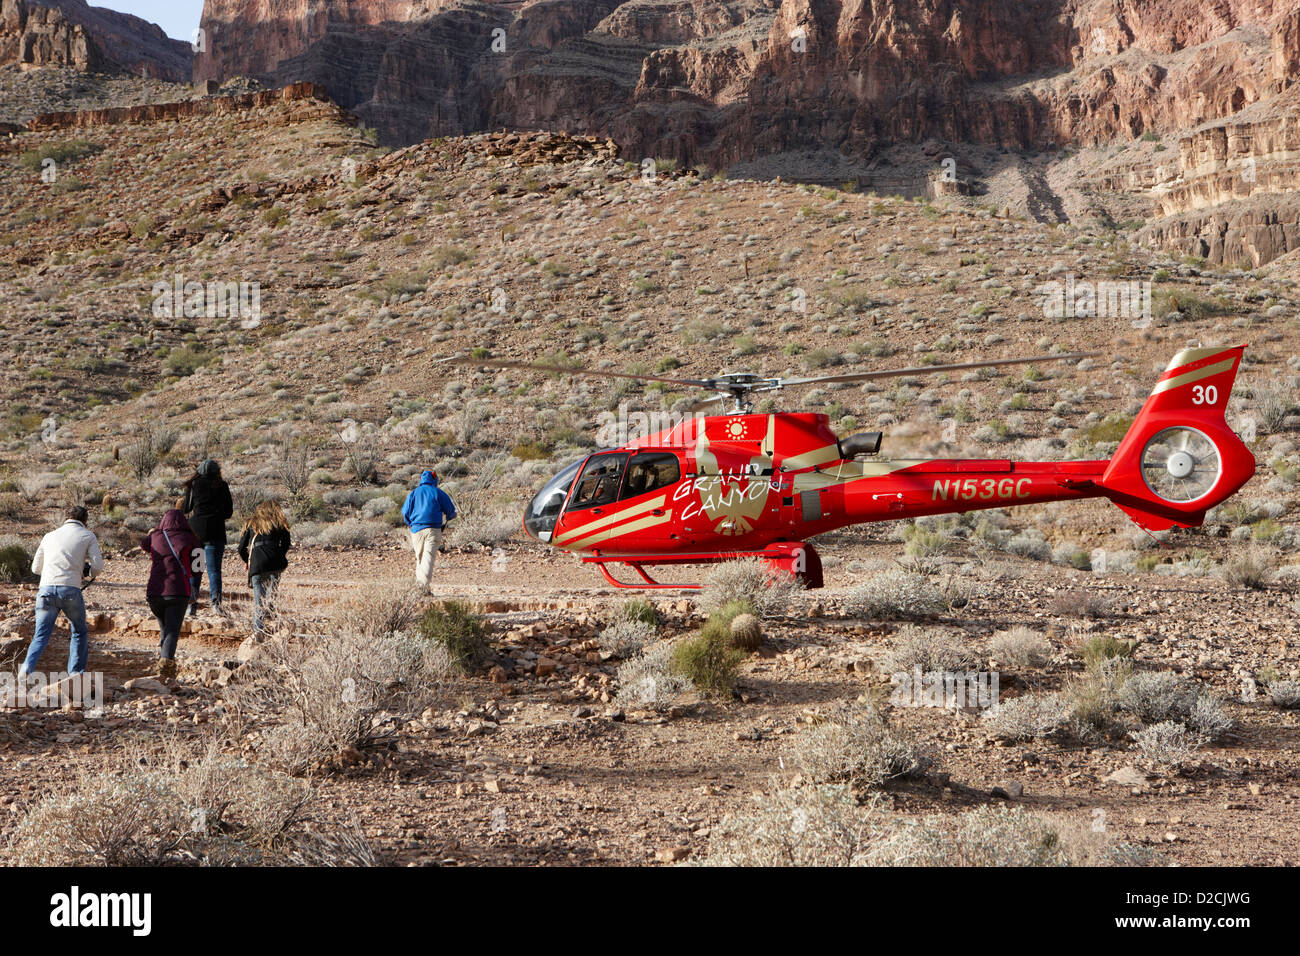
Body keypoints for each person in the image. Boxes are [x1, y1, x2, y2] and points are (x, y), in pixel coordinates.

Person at [21, 506, 104, 678]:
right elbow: (97, 567)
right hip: (70, 591)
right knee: (79, 631)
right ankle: (75, 674)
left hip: (45, 590)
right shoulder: (88, 535)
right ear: (85, 520)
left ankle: (26, 669)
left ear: (65, 518)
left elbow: (36, 568)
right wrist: (86, 572)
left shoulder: (49, 536)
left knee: (41, 634)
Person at [140, 508, 201, 681]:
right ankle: (166, 668)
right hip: (178, 591)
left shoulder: (156, 536)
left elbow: (144, 545)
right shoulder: (191, 538)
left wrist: (153, 532)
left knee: (165, 629)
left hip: (154, 592)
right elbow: (198, 568)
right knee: (172, 631)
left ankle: (163, 661)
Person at [181, 459, 233, 616]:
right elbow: (229, 512)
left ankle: (191, 605)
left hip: (196, 533)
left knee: (196, 570)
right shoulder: (222, 485)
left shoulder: (194, 485)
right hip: (215, 532)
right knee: (214, 570)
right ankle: (216, 605)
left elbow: (185, 508)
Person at [237, 501, 291, 636]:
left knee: (258, 601)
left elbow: (240, 548)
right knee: (271, 597)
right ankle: (273, 629)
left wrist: (247, 561)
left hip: (257, 564)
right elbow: (286, 544)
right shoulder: (279, 522)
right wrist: (278, 555)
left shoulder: (251, 523)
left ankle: (258, 631)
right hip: (276, 563)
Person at [400, 470, 456, 591]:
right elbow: (451, 510)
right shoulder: (438, 493)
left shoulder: (414, 493)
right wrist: (449, 517)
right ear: (435, 480)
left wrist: (411, 524)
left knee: (419, 558)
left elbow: (405, 512)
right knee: (428, 558)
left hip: (416, 530)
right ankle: (423, 588)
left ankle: (420, 587)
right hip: (433, 529)